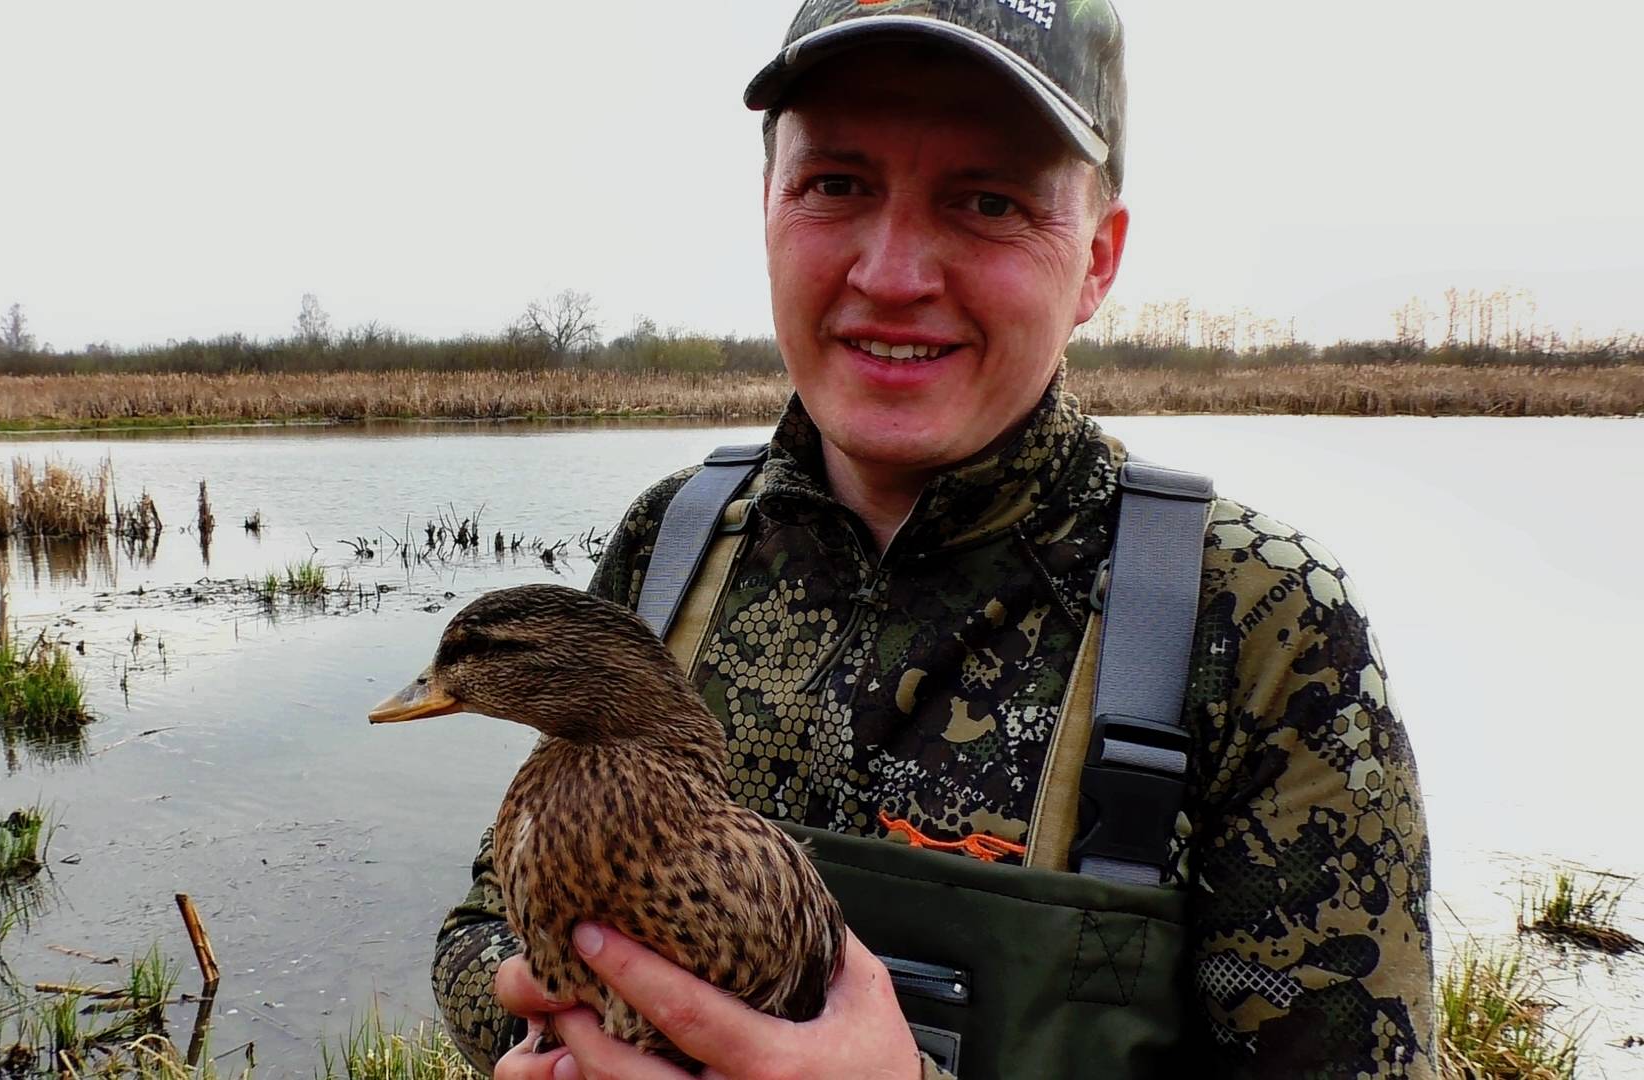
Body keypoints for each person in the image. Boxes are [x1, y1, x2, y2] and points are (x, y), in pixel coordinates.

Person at [432, 1, 1434, 1077]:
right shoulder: (671, 544)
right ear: (768, 205)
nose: (893, 274)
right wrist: (544, 1032)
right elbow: (486, 918)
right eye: (836, 186)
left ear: (1098, 259)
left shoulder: (1253, 619)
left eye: (988, 199)